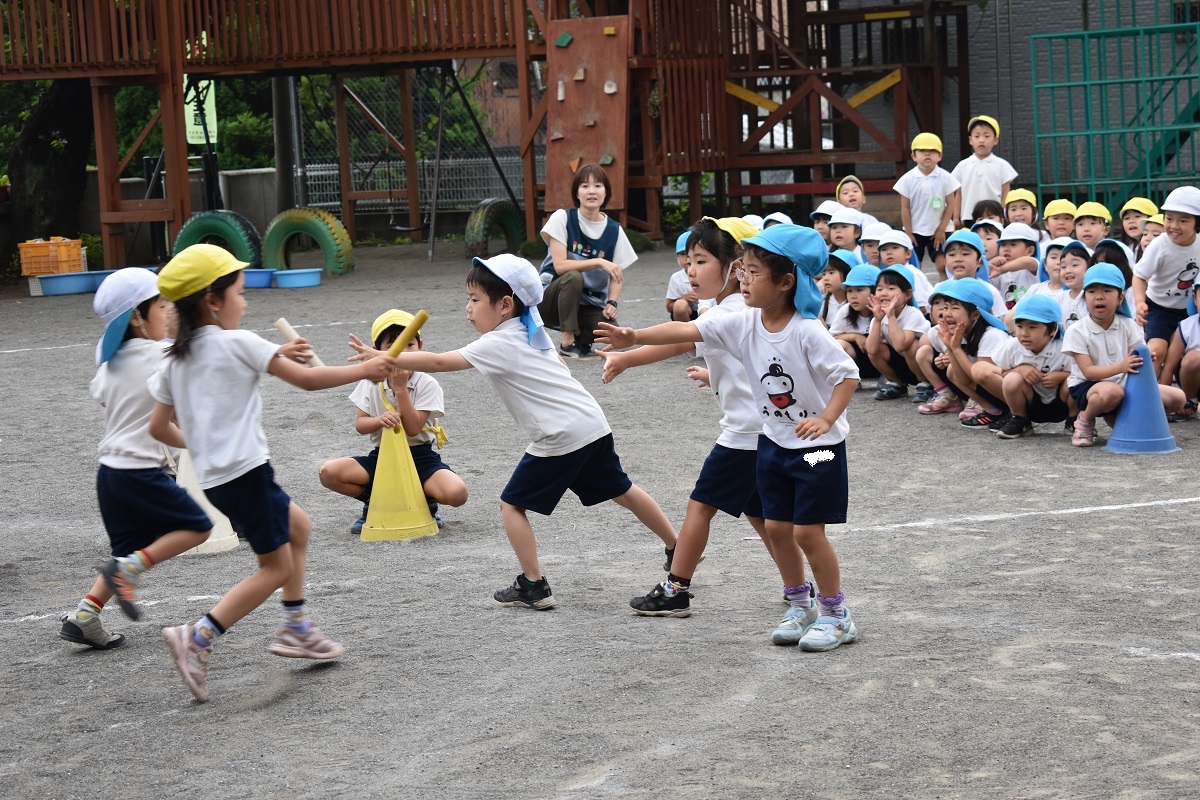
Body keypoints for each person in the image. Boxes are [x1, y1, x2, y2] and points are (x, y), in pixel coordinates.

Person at [352, 253, 678, 610]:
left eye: (475, 300)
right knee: (623, 490)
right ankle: (677, 548)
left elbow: (440, 361)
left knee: (511, 505)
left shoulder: (501, 340)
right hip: (592, 426)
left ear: (505, 305)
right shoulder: (529, 329)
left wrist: (384, 356)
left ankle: (533, 585)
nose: (468, 308)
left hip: (560, 437)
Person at [148, 244, 397, 702]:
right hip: (246, 476)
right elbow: (305, 380)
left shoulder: (175, 357)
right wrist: (367, 368)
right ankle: (198, 636)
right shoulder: (236, 343)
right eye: (241, 294)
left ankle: (297, 627)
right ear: (212, 300)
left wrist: (204, 444)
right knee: (275, 566)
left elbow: (159, 426)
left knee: (299, 526)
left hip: (219, 480)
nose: (245, 303)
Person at [596, 224, 861, 652]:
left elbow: (847, 375)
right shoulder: (745, 322)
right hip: (772, 443)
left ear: (786, 282)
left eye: (752, 271)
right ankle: (800, 604)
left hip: (817, 451)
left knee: (807, 533)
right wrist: (634, 337)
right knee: (775, 527)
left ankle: (835, 613)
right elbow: (685, 334)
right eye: (743, 269)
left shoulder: (806, 329)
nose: (743, 278)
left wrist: (828, 418)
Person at [597, 217, 766, 618]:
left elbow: (681, 334)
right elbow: (687, 343)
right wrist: (627, 360)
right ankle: (799, 587)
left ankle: (676, 588)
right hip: (759, 432)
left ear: (736, 266)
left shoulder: (733, 311)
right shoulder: (721, 306)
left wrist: (632, 339)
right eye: (688, 260)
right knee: (763, 517)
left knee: (700, 505)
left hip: (745, 434)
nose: (689, 270)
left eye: (701, 260)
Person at [59, 268, 213, 650]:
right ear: (136, 316)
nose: (168, 313)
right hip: (143, 472)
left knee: (126, 550)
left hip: (110, 474)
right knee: (199, 527)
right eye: (162, 306)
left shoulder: (110, 364)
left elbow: (105, 398)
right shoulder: (163, 355)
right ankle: (127, 572)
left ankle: (85, 616)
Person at [320, 309, 468, 534]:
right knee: (329, 472)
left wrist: (400, 390)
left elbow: (413, 427)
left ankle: (424, 501)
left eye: (409, 345)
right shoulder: (371, 382)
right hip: (383, 456)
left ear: (420, 346)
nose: (402, 353)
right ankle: (375, 502)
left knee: (457, 494)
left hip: (420, 457)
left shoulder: (427, 383)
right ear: (376, 351)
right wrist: (379, 420)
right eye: (392, 347)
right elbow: (360, 425)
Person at [1063, 263, 1185, 446]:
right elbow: (1088, 372)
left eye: (1107, 290)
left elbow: (1137, 358)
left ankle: (1124, 417)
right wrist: (1121, 367)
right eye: (1091, 291)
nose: (1099, 296)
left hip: (1125, 384)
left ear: (1120, 298)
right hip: (1089, 387)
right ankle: (1084, 420)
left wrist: (1144, 359)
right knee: (1111, 392)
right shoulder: (1077, 330)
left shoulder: (1128, 325)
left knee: (1178, 398)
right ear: (1084, 297)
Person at [538, 163, 636, 359]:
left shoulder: (614, 230)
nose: (591, 191)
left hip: (588, 303)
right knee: (573, 277)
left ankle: (581, 341)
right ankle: (567, 342)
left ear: (606, 192)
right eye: (584, 186)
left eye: (598, 185)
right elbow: (560, 266)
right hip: (550, 300)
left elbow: (616, 274)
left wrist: (612, 303)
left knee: (611, 334)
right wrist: (598, 262)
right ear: (577, 192)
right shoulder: (562, 218)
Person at [1132, 186, 1200, 378]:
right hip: (1159, 308)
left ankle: (1181, 398)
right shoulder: (1160, 245)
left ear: (1197, 223)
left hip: (1190, 311)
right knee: (1156, 351)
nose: (1174, 225)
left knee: (1179, 356)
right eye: (1169, 218)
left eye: (1183, 220)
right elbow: (1139, 276)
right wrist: (1139, 302)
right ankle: (1151, 396)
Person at [988, 294, 1074, 439]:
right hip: (1031, 403)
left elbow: (1082, 373)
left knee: (1075, 380)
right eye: (1020, 326)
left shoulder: (1065, 346)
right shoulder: (1013, 346)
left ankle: (1074, 421)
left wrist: (1061, 376)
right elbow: (1002, 373)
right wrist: (1020, 369)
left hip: (1063, 403)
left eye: (1032, 327)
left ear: (1052, 328)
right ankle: (1020, 420)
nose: (1024, 334)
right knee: (1011, 379)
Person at [933, 279, 1013, 429]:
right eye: (945, 307)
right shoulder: (962, 332)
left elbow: (979, 375)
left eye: (955, 308)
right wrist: (951, 348)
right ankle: (993, 410)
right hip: (997, 393)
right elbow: (962, 378)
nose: (947, 314)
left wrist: (956, 350)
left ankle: (1017, 414)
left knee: (980, 370)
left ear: (975, 315)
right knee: (952, 370)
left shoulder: (992, 335)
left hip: (1018, 393)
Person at [894, 132, 959, 279]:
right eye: (922, 151)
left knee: (943, 265)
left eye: (933, 151)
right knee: (913, 267)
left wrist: (942, 229)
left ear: (940, 156)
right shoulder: (907, 179)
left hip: (941, 229)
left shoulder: (946, 177)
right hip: (915, 230)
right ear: (914, 156)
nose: (927, 154)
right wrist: (909, 232)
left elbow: (951, 205)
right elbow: (905, 207)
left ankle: (945, 294)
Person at [866, 264, 930, 400]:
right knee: (877, 349)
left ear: (907, 294)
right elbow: (871, 350)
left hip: (927, 365)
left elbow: (901, 345)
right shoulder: (878, 316)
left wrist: (890, 316)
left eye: (891, 288)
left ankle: (925, 384)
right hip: (903, 363)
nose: (884, 293)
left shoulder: (913, 314)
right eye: (879, 288)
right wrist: (877, 320)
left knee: (912, 346)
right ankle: (897, 384)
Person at [950, 114, 1018, 229]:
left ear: (995, 140)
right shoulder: (963, 165)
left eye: (987, 136)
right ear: (970, 140)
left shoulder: (1001, 165)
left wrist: (1003, 214)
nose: (981, 140)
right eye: (977, 136)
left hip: (994, 215)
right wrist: (956, 217)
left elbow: (1006, 193)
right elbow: (958, 194)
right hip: (969, 215)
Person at [829, 264, 882, 380]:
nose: (853, 296)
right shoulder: (845, 310)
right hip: (859, 365)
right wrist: (853, 336)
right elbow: (830, 338)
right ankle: (849, 378)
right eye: (849, 291)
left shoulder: (885, 311)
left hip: (882, 363)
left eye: (859, 290)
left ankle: (891, 379)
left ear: (874, 290)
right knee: (840, 345)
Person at [990, 222, 1040, 310]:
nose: (1006, 249)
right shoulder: (1000, 271)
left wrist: (1002, 269)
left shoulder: (1031, 269)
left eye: (1013, 244)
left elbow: (1027, 261)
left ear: (1030, 251)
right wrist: (991, 265)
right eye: (1003, 245)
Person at [1160, 309, 1200, 420]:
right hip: (1194, 383)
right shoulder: (1187, 326)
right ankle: (1189, 402)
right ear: (1194, 299)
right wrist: (1166, 402)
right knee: (1193, 358)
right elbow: (1169, 367)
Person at [1057, 240, 1092, 330]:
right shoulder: (1060, 298)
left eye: (1075, 265)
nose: (1068, 270)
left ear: (1089, 267)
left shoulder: (1092, 298)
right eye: (1063, 267)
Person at [818, 248, 858, 327]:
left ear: (848, 273)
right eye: (824, 274)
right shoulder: (820, 303)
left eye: (831, 272)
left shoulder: (858, 303)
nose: (825, 278)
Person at [666, 230, 699, 321]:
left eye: (690, 253)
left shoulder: (709, 273)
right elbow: (669, 306)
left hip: (708, 313)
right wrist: (683, 299)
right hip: (688, 315)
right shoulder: (676, 278)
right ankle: (684, 333)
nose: (687, 258)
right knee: (680, 305)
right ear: (677, 257)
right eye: (682, 254)